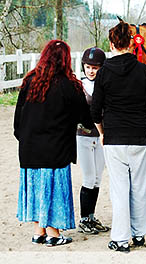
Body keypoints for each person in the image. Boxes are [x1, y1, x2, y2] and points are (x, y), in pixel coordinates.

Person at [13, 40, 94, 247]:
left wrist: (26, 138)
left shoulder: (30, 81)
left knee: (37, 188)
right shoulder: (69, 85)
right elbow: (85, 118)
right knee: (53, 190)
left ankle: (39, 231)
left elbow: (17, 121)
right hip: (56, 150)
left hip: (29, 149)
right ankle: (53, 234)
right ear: (66, 60)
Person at [91, 21, 146, 253]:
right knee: (139, 188)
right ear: (132, 43)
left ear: (111, 44)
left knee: (120, 190)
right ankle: (139, 234)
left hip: (114, 138)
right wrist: (142, 117)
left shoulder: (103, 73)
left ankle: (121, 239)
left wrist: (103, 130)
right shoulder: (143, 70)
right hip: (139, 137)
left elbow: (95, 110)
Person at [76, 47, 110, 234]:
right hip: (83, 136)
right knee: (89, 177)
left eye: (95, 68)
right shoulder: (79, 85)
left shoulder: (105, 85)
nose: (91, 71)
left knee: (97, 178)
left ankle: (91, 216)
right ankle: (83, 219)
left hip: (101, 137)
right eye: (88, 67)